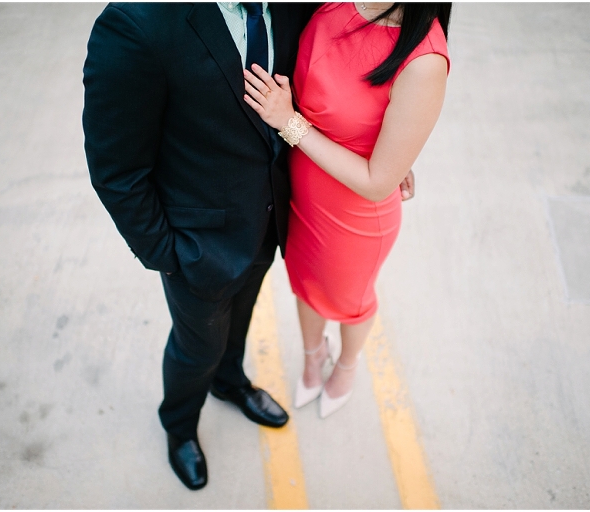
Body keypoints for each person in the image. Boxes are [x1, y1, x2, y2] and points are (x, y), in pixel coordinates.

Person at [82, 2, 315, 491]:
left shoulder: (295, 5)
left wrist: (390, 152)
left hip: (268, 221)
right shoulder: (137, 22)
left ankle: (229, 381)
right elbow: (117, 169)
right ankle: (180, 425)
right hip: (195, 245)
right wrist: (168, 253)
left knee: (240, 321)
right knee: (197, 347)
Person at [243, 2, 451, 418]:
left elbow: (377, 183)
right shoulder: (334, 3)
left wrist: (290, 123)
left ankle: (346, 365)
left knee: (349, 299)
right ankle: (312, 354)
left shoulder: (425, 60)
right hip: (302, 185)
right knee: (304, 283)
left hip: (353, 214)